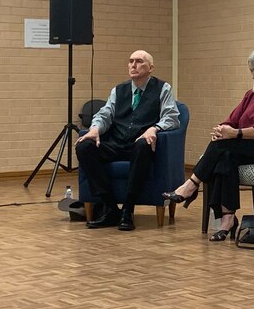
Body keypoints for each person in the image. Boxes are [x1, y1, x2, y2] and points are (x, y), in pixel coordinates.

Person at [164, 46, 254, 242]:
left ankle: (191, 185)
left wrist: (234, 134)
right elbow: (233, 119)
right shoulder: (251, 95)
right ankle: (228, 219)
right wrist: (223, 129)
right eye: (251, 71)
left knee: (223, 147)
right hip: (252, 145)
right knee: (226, 154)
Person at [75, 50, 180, 232]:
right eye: (131, 61)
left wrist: (154, 128)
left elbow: (172, 117)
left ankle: (128, 209)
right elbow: (105, 113)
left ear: (150, 68)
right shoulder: (119, 90)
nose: (133, 65)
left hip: (141, 145)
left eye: (139, 61)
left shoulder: (163, 89)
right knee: (84, 147)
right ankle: (109, 207)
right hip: (117, 143)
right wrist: (94, 129)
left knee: (143, 144)